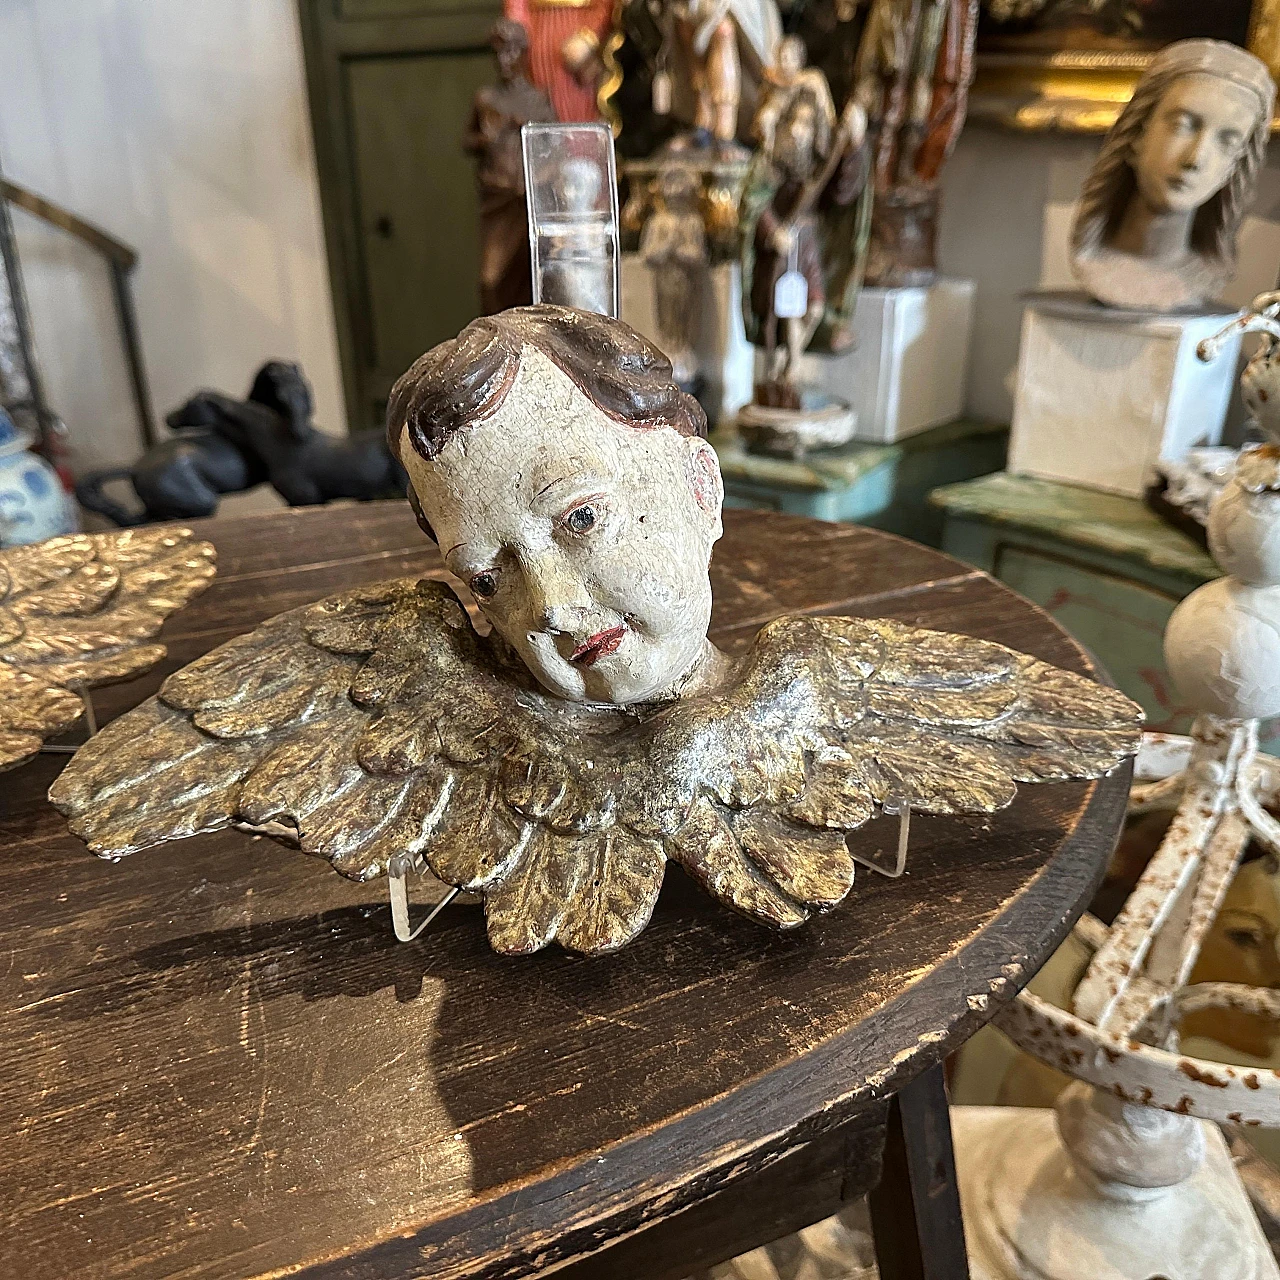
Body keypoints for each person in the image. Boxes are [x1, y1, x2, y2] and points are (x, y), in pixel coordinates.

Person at [1070, 38, 1275, 312]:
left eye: (1227, 141)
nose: (1195, 159)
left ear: (1233, 168)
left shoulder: (1201, 276)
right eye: (1183, 125)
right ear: (1137, 133)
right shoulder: (1093, 259)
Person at [463, 20, 557, 314]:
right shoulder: (486, 99)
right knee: (490, 282)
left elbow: (556, 147)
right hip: (499, 199)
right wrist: (488, 137)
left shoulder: (538, 100)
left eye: (509, 52)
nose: (502, 60)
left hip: (531, 199)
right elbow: (468, 141)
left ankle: (525, 342)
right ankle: (495, 342)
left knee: (534, 281)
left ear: (523, 54)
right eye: (498, 52)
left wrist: (541, 175)